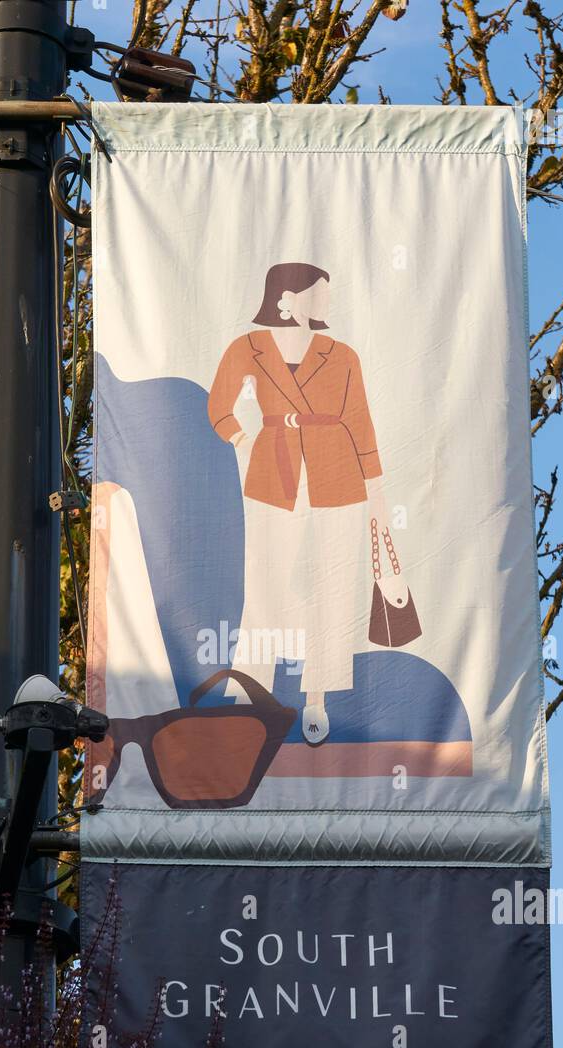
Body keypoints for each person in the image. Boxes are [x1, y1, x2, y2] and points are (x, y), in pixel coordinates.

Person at [207, 262, 388, 744]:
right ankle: (251, 690)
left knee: (330, 585)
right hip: (272, 473)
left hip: (337, 473)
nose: (326, 301)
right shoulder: (251, 347)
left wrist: (377, 490)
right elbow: (218, 405)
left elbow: (361, 421)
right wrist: (243, 439)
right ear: (287, 299)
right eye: (318, 293)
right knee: (264, 579)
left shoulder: (341, 354)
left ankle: (318, 698)